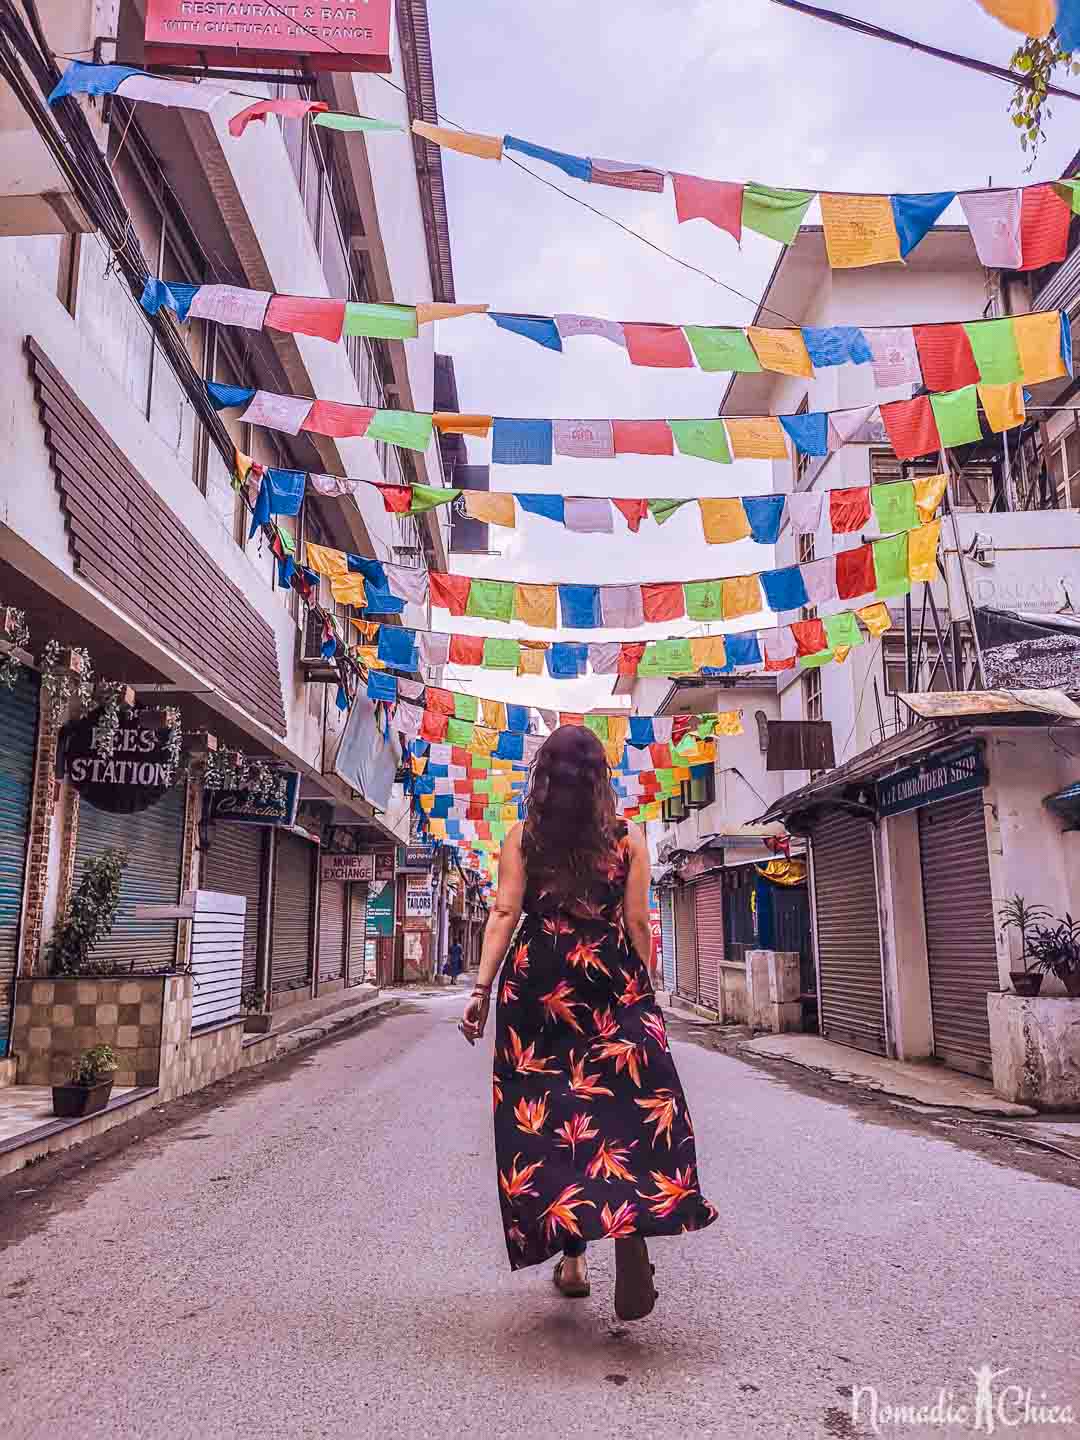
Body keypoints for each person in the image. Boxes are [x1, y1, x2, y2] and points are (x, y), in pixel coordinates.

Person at [460, 725, 716, 1320]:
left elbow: (502, 911)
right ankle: (631, 1225)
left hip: (538, 984)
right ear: (602, 778)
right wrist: (644, 990)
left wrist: (480, 988)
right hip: (609, 980)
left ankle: (572, 1259)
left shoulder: (523, 839)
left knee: (551, 1120)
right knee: (627, 1107)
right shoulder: (627, 840)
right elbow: (638, 925)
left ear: (542, 779)